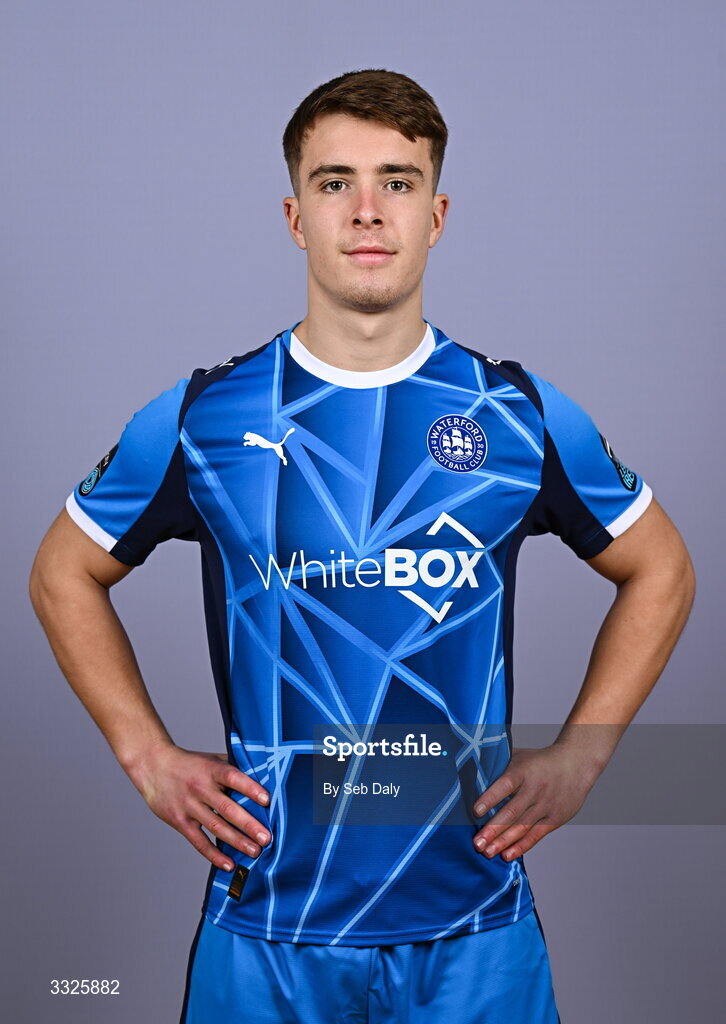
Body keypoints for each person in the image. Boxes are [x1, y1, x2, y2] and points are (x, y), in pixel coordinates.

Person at [29, 68, 696, 1024]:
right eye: (337, 182)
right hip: (267, 927)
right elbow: (63, 572)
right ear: (297, 216)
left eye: (399, 180)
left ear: (439, 212)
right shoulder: (203, 419)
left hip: (475, 927)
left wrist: (585, 755)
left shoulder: (516, 415)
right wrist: (144, 755)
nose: (369, 211)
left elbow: (661, 569)